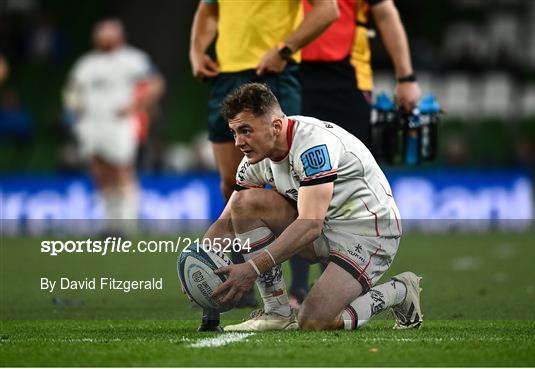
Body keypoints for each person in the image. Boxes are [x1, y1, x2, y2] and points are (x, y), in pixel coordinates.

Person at [204, 82, 422, 331]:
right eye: (234, 132)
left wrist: (252, 268)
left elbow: (310, 226)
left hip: (367, 232)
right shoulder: (255, 157)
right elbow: (226, 223)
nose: (238, 142)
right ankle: (276, 312)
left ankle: (399, 291)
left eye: (245, 130)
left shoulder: (313, 146)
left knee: (315, 321)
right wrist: (198, 261)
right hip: (323, 227)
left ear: (275, 126)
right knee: (244, 203)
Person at [189, 0, 339, 331]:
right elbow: (207, 10)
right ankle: (230, 285)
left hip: (272, 69)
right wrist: (197, 52)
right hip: (226, 75)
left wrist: (284, 50)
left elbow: (328, 10)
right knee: (234, 188)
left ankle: (298, 288)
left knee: (293, 186)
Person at [289, 0, 422, 307]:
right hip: (292, 72)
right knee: (296, 180)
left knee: (347, 182)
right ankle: (297, 288)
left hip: (347, 79)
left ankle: (340, 281)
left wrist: (406, 77)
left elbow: (386, 13)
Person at [63, 19, 164, 233]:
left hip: (119, 123)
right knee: (99, 170)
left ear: (119, 36)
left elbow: (156, 84)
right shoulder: (86, 63)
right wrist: (75, 109)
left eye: (109, 34)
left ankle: (127, 224)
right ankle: (109, 223)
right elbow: (71, 90)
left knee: (122, 169)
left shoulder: (133, 59)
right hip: (91, 124)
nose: (105, 38)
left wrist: (136, 106)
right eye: (102, 34)